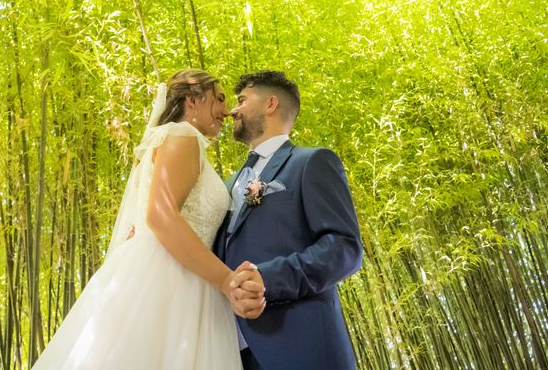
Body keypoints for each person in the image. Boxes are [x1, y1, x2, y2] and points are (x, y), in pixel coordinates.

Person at [32, 69, 263, 369]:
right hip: (171, 276)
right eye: (219, 99)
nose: (226, 110)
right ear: (193, 100)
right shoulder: (183, 136)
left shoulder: (176, 140)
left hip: (183, 272)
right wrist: (226, 280)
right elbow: (160, 215)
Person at [214, 70, 363, 370]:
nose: (232, 110)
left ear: (270, 104)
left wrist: (267, 279)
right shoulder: (223, 187)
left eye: (241, 100)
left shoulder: (311, 162)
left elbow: (344, 249)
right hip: (229, 350)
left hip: (300, 342)